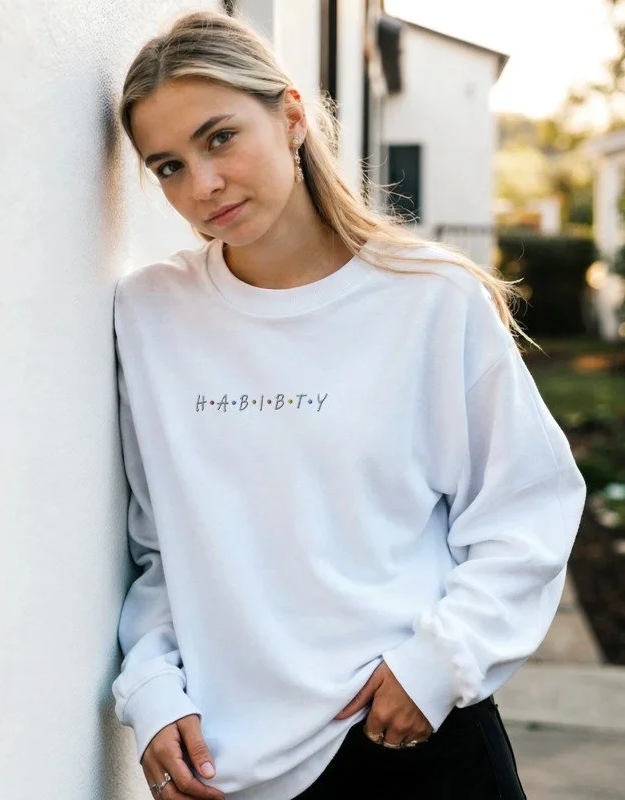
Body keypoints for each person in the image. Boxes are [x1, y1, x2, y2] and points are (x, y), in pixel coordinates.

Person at [110, 9, 586, 800]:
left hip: (412, 734)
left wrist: (439, 664)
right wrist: (153, 689)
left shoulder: (430, 298)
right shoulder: (152, 315)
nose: (202, 185)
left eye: (220, 138)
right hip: (234, 765)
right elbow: (163, 545)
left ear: (292, 117)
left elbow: (527, 508)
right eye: (168, 166)